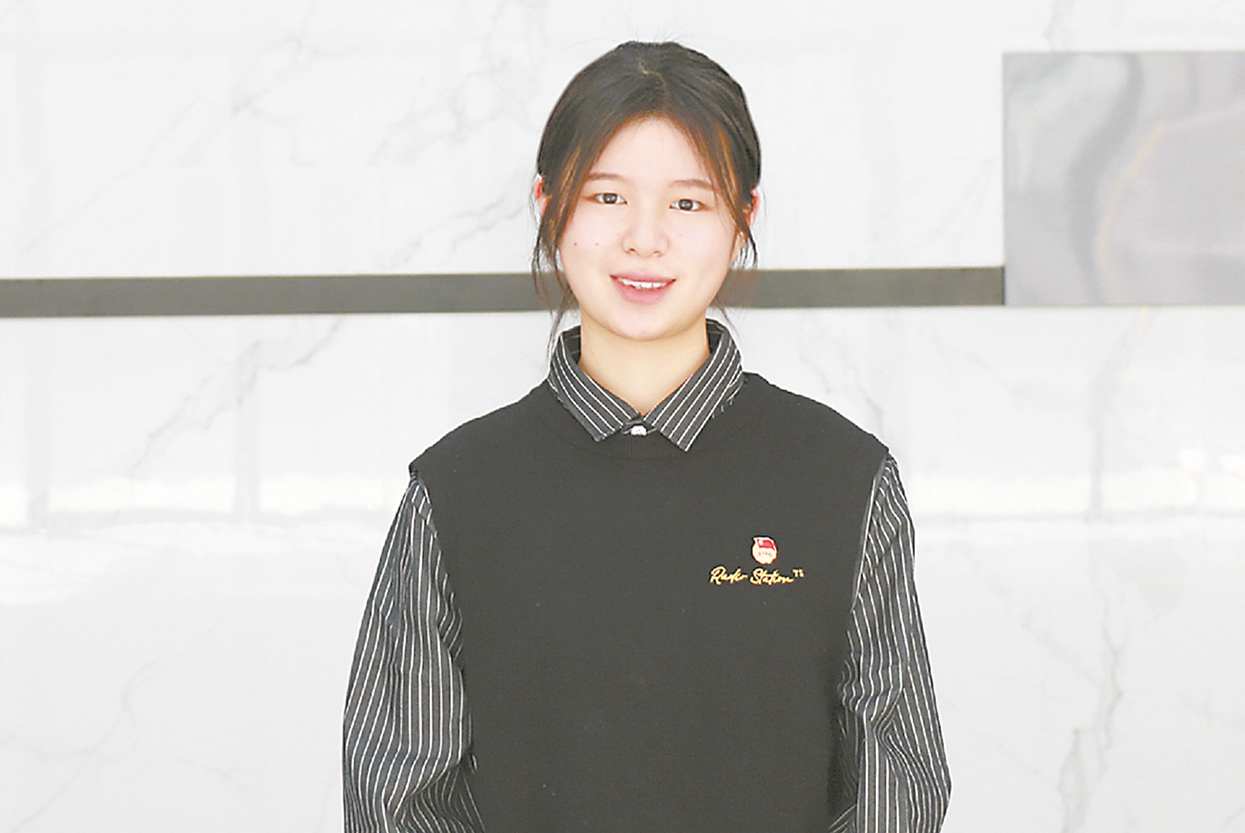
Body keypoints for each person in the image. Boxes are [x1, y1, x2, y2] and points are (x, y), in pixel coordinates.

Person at [343, 41, 950, 833]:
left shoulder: (844, 479)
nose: (644, 238)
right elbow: (398, 805)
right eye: (606, 197)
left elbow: (894, 797)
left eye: (688, 204)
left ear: (743, 218)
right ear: (548, 204)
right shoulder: (455, 493)